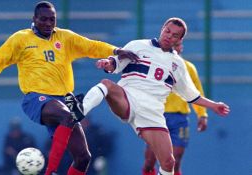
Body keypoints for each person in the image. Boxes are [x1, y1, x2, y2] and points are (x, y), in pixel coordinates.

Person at [0, 1, 139, 175]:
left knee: (83, 157)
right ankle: (50, 171)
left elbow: (91, 46)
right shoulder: (21, 39)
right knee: (67, 115)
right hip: (37, 99)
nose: (48, 23)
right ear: (34, 19)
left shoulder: (65, 38)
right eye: (43, 19)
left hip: (65, 100)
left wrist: (116, 51)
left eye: (52, 19)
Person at [66, 17, 230, 175]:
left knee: (169, 163)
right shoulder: (138, 45)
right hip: (128, 99)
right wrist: (107, 64)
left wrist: (214, 105)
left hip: (152, 113)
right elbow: (115, 64)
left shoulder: (179, 65)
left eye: (174, 35)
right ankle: (80, 110)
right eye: (167, 31)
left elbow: (192, 96)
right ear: (162, 29)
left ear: (179, 40)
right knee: (107, 84)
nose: (169, 36)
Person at [142, 41, 208, 175]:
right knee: (150, 160)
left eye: (177, 45)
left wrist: (202, 114)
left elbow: (196, 93)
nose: (174, 48)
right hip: (157, 117)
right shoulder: (155, 65)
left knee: (176, 159)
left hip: (179, 118)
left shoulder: (188, 68)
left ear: (181, 47)